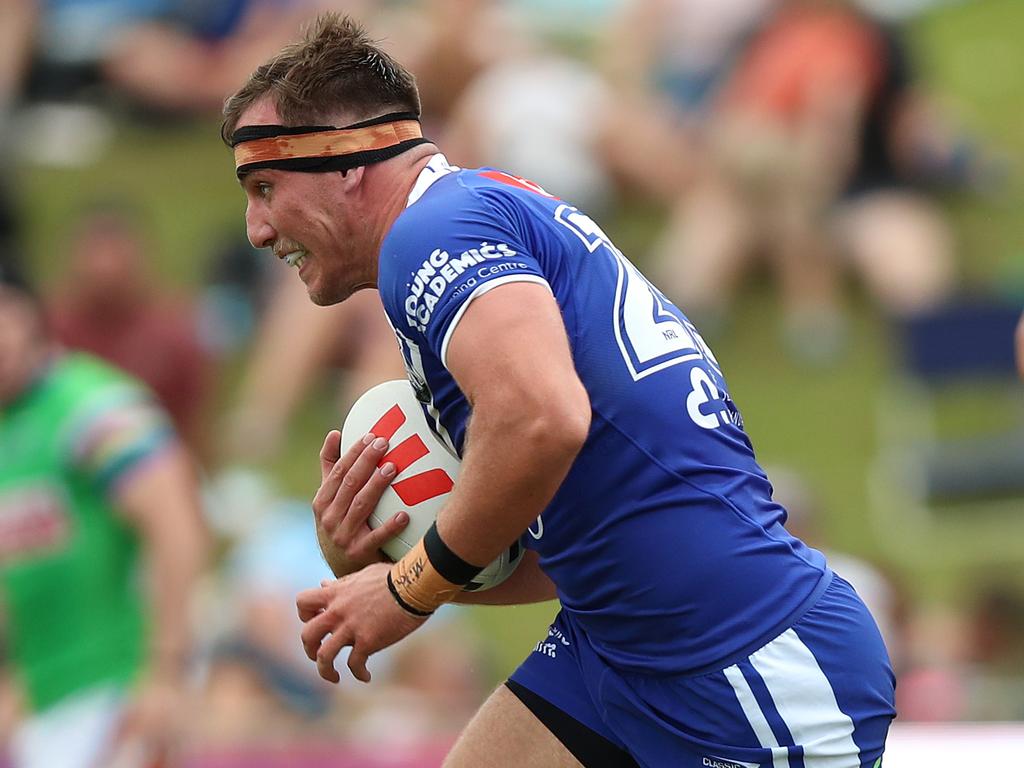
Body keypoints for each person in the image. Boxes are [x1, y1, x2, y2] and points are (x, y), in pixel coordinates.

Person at [221, 14, 895, 766]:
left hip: (741, 659)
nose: (254, 228)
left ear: (348, 164)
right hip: (631, 642)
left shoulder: (431, 237)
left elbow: (544, 420)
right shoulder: (467, 216)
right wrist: (395, 570)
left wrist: (408, 591)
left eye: (264, 186)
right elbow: (567, 549)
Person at [0, 256, 208, 768]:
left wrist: (165, 674)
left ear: (30, 316)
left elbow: (177, 527)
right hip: (45, 700)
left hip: (116, 692)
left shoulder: (91, 407)